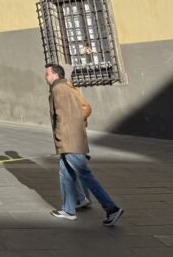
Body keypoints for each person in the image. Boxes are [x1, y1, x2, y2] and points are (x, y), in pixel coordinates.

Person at [45, 63, 124, 226]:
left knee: (84, 174)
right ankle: (68, 210)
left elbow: (61, 115)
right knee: (65, 174)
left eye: (47, 74)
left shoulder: (58, 89)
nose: (45, 77)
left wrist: (60, 137)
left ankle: (111, 208)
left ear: (56, 75)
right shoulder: (67, 88)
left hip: (70, 140)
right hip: (74, 138)